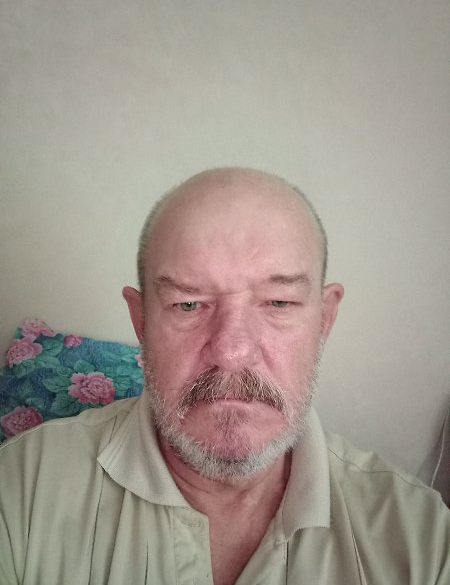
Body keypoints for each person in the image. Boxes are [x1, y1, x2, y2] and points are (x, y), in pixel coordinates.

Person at [0, 168, 448, 585]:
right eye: (188, 305)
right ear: (141, 321)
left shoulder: (422, 539)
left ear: (324, 319)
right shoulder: (22, 488)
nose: (232, 353)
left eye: (279, 303)